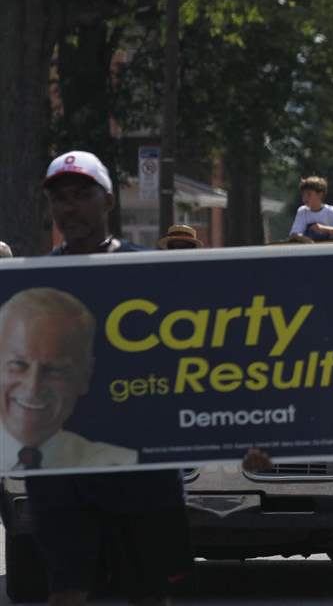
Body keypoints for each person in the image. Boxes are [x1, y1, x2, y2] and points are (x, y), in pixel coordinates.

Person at [29, 150, 191, 604]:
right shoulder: (29, 285)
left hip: (143, 471)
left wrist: (254, 439)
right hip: (61, 472)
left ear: (108, 202)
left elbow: (200, 368)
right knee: (67, 594)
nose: (69, 206)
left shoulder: (150, 272)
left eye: (82, 195)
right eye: (59, 198)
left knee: (148, 594)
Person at [0, 288, 138, 470]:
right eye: (18, 364)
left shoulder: (125, 465)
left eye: (54, 370)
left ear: (85, 376)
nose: (33, 387)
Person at [288, 176, 333, 242]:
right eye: (303, 194)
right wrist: (306, 240)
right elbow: (294, 233)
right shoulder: (302, 211)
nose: (305, 198)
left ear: (320, 194)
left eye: (309, 194)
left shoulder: (332, 212)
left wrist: (324, 228)